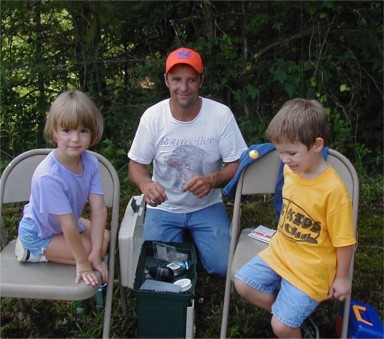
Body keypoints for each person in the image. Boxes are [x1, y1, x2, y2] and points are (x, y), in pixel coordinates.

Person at [234, 98, 356, 338]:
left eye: (291, 152)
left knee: (280, 327)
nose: (284, 160)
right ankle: (294, 319)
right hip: (280, 253)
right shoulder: (291, 170)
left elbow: (345, 241)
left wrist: (342, 278)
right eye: (280, 152)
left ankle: (290, 323)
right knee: (242, 284)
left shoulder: (333, 191)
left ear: (317, 145)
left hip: (311, 270)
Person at [128, 47, 247, 276]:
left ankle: (195, 246)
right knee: (159, 271)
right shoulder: (153, 117)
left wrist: (213, 179)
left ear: (201, 80)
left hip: (207, 206)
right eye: (177, 79)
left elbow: (237, 164)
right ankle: (185, 250)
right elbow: (136, 165)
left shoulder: (220, 115)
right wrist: (145, 185)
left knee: (224, 267)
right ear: (166, 80)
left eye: (191, 80)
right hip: (164, 207)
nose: (184, 88)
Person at [15, 90, 110, 286]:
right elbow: (67, 224)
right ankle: (31, 252)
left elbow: (99, 209)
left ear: (92, 133)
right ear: (54, 132)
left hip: (64, 222)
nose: (75, 139)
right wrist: (84, 262)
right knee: (90, 248)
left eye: (83, 131)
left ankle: (88, 254)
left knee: (104, 238)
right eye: (67, 130)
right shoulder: (49, 176)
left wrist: (96, 255)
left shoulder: (90, 162)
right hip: (39, 231)